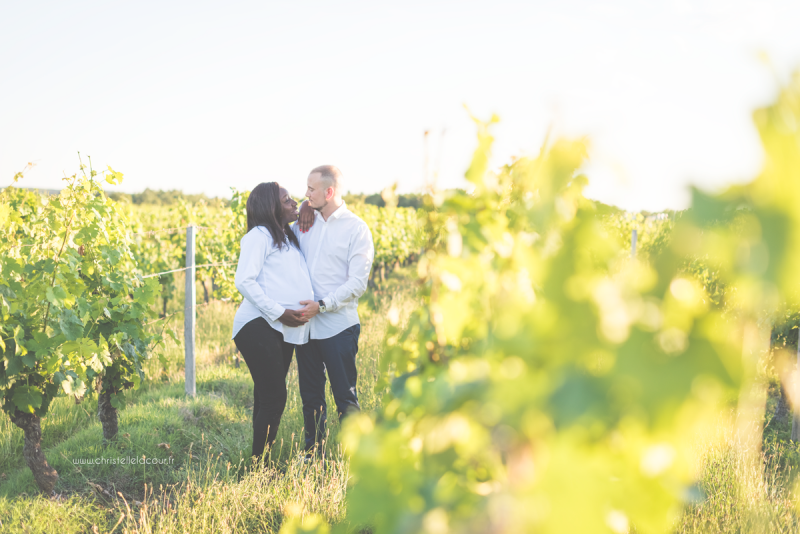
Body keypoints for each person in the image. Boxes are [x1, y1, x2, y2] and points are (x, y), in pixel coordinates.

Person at [293, 165, 375, 456]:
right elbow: (275, 229)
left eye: (311, 189)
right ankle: (312, 454)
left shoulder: (356, 229)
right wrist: (303, 206)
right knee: (311, 397)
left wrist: (323, 305)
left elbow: (357, 283)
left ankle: (357, 458)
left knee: (345, 396)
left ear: (329, 191)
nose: (305, 193)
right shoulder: (303, 222)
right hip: (307, 328)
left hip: (338, 325)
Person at [231, 182, 313, 465]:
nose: (293, 202)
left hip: (281, 326)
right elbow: (244, 281)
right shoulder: (260, 235)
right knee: (274, 396)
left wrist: (304, 205)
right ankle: (259, 467)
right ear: (271, 206)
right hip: (258, 324)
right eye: (287, 200)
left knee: (267, 394)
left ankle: (259, 463)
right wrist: (278, 312)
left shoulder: (285, 235)